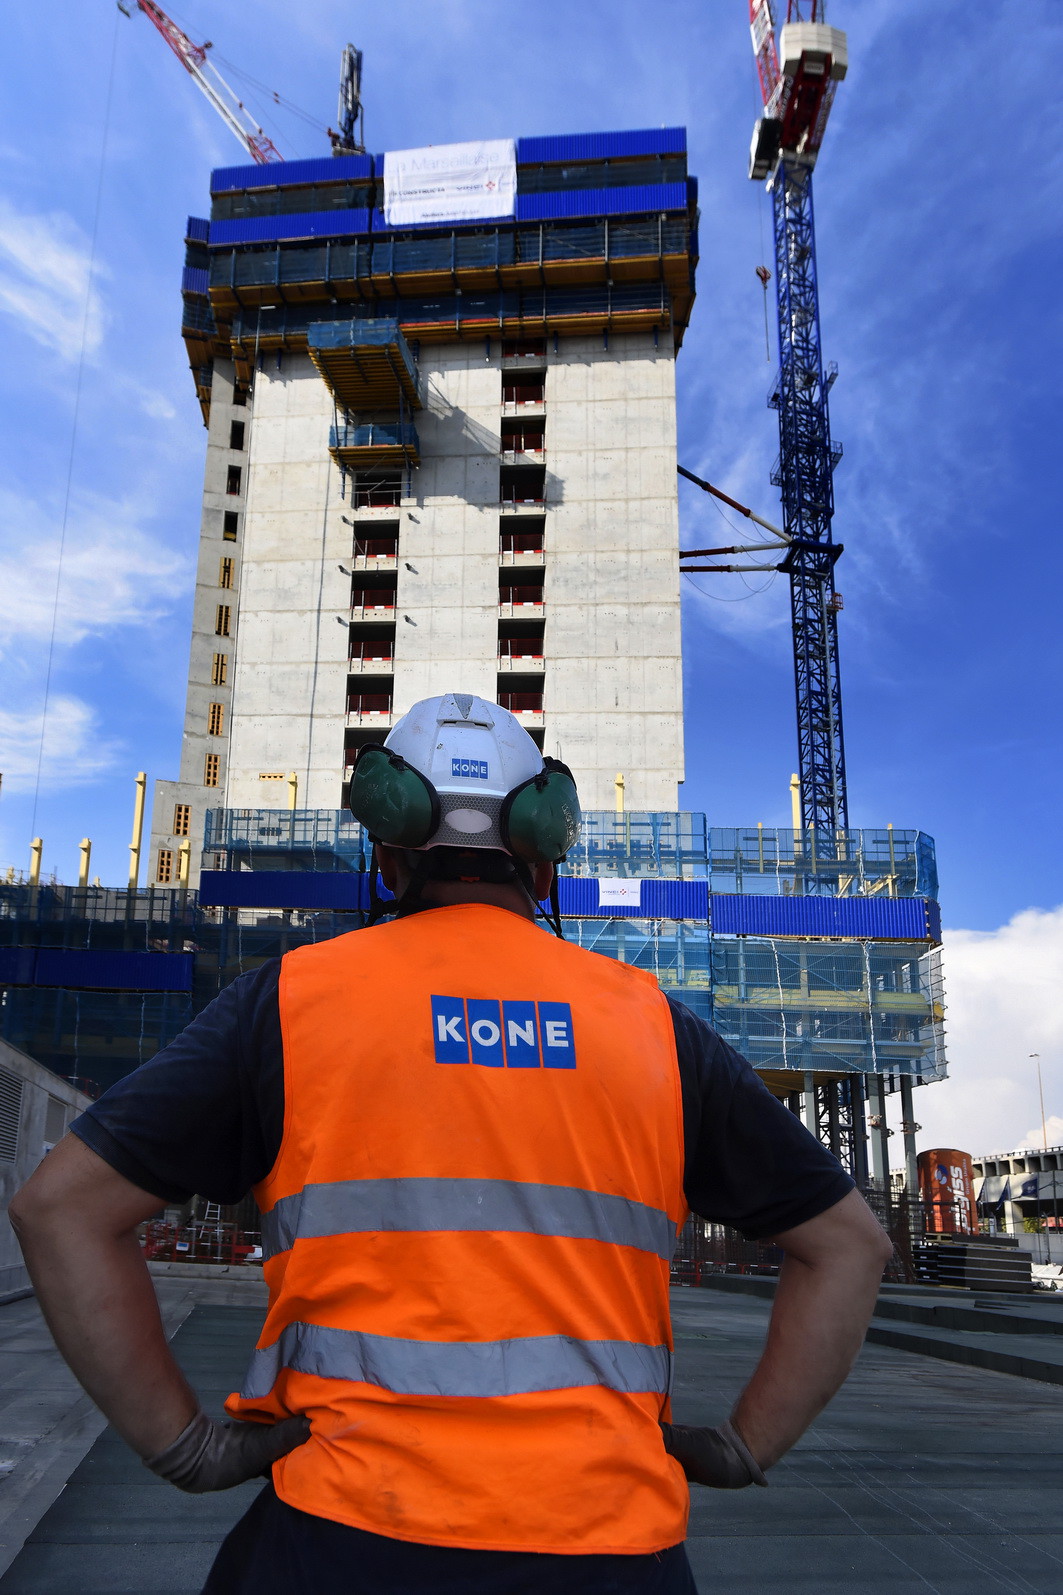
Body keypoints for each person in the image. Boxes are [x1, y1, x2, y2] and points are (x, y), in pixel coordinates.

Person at [11, 693, 892, 1594]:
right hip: (608, 1548)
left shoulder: (290, 1002)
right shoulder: (654, 1028)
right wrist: (743, 1446)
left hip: (343, 1541)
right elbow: (847, 1245)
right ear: (544, 860)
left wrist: (185, 1445)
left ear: (386, 857)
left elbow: (62, 1208)